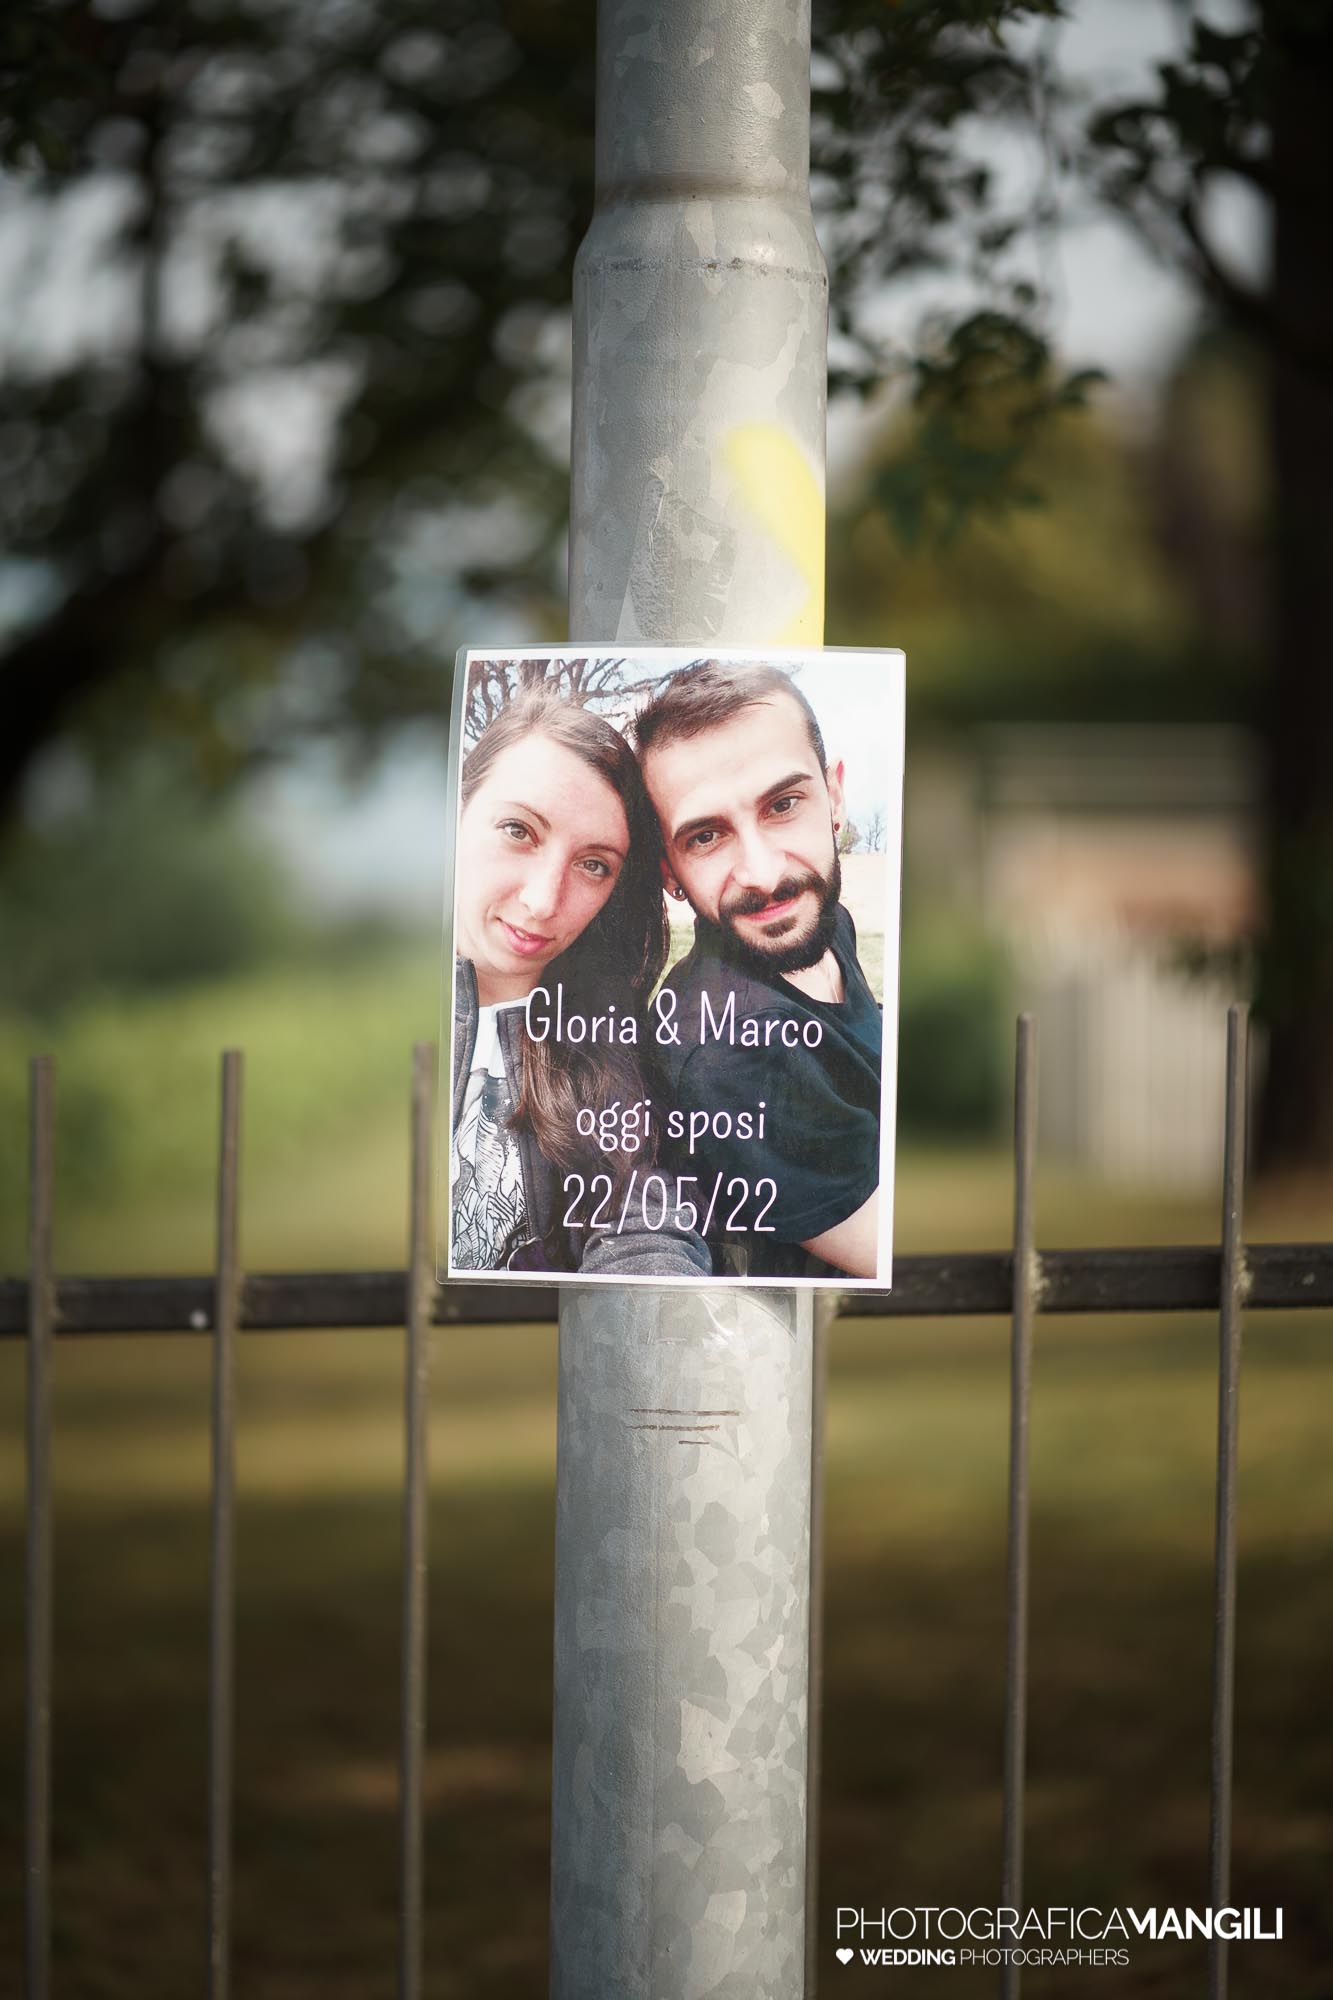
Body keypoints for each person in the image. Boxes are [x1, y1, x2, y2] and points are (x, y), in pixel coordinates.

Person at [635, 659, 884, 1279]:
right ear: (668, 873)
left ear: (835, 798)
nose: (765, 874)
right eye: (705, 837)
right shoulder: (732, 1052)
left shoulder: (820, 922)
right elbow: (902, 1255)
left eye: (783, 804)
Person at [451, 686, 709, 1278]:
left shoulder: (604, 1046)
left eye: (594, 865)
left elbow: (643, 1221)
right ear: (457, 812)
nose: (543, 902)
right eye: (518, 830)